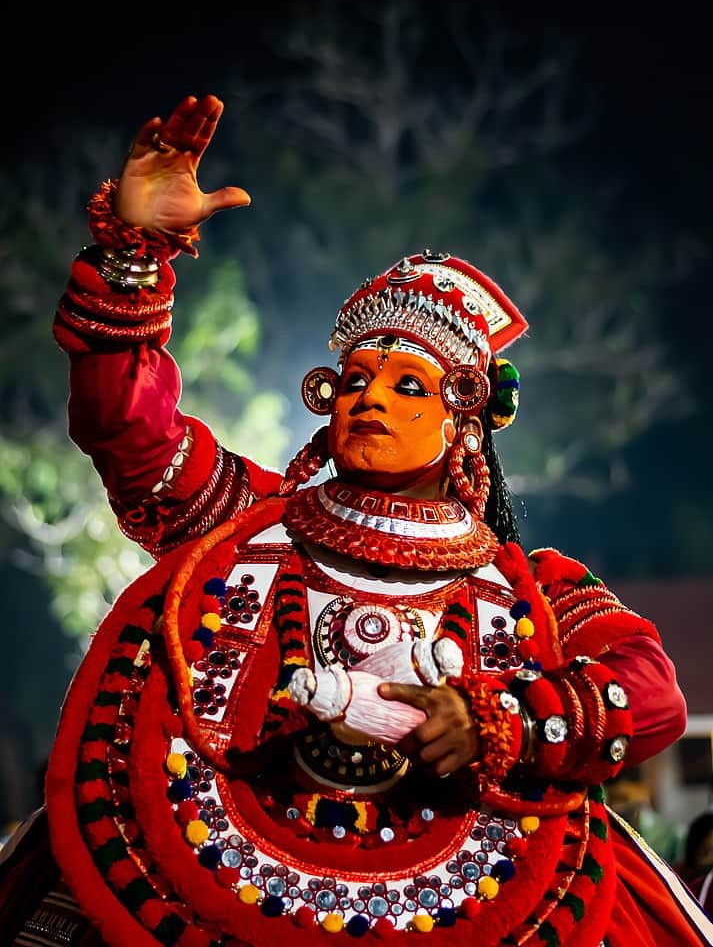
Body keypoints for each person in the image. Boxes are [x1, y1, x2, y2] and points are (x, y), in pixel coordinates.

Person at [1, 94, 712, 947]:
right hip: (192, 877)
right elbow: (129, 432)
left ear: (464, 418)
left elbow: (650, 693)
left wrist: (503, 721)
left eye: (405, 384)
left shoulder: (532, 588)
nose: (369, 395)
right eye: (354, 379)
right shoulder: (243, 524)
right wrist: (133, 251)